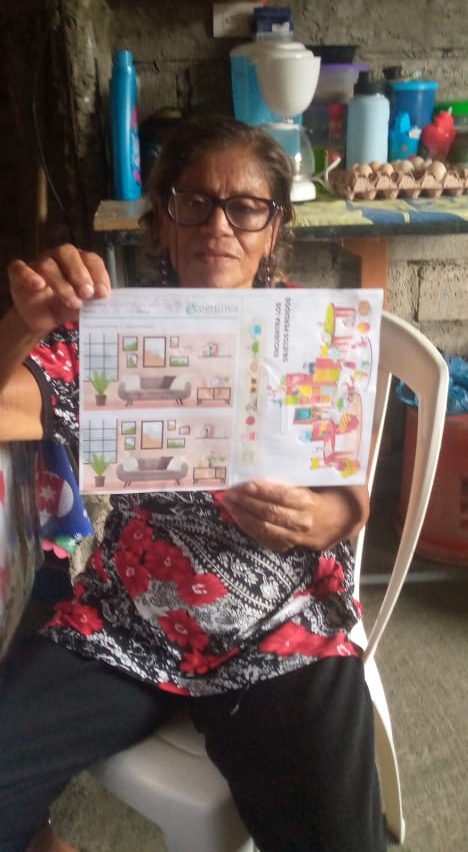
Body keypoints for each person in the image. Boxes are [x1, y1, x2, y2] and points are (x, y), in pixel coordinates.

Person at [0, 115, 387, 852]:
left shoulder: (314, 334)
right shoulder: (112, 332)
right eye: (194, 203)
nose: (219, 226)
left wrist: (322, 519)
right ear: (163, 222)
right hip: (130, 617)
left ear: (274, 228)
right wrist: (23, 325)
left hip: (283, 627)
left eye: (246, 208)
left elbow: (354, 497)